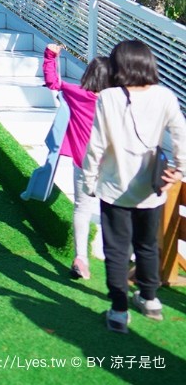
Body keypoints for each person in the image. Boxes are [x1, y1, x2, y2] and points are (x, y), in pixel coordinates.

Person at [82, 39, 186, 333]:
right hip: (151, 190)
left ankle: (118, 311)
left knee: (116, 251)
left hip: (115, 188)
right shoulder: (165, 97)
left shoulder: (109, 98)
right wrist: (179, 171)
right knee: (147, 246)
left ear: (119, 67)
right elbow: (181, 133)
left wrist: (89, 180)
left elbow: (96, 147)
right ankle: (150, 300)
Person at [43, 43, 110, 280]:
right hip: (113, 165)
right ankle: (113, 252)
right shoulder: (119, 102)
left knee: (82, 208)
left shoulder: (76, 93)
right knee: (114, 208)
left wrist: (51, 55)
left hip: (84, 162)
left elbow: (53, 83)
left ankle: (81, 257)